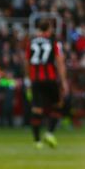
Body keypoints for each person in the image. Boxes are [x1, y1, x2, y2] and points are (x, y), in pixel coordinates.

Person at [25, 19, 69, 149]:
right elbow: (60, 62)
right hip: (50, 79)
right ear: (48, 29)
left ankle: (37, 141)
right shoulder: (54, 42)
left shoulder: (31, 42)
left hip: (35, 79)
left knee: (37, 109)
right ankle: (49, 133)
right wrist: (63, 81)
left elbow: (27, 62)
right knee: (58, 104)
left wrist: (28, 79)